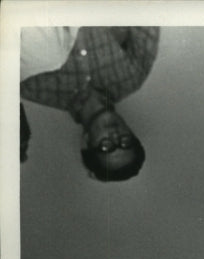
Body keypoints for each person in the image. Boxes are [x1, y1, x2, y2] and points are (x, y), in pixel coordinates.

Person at [20, 27, 160, 182]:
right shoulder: (133, 76)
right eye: (125, 142)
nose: (115, 136)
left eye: (106, 147)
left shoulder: (36, 89)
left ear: (86, 142)